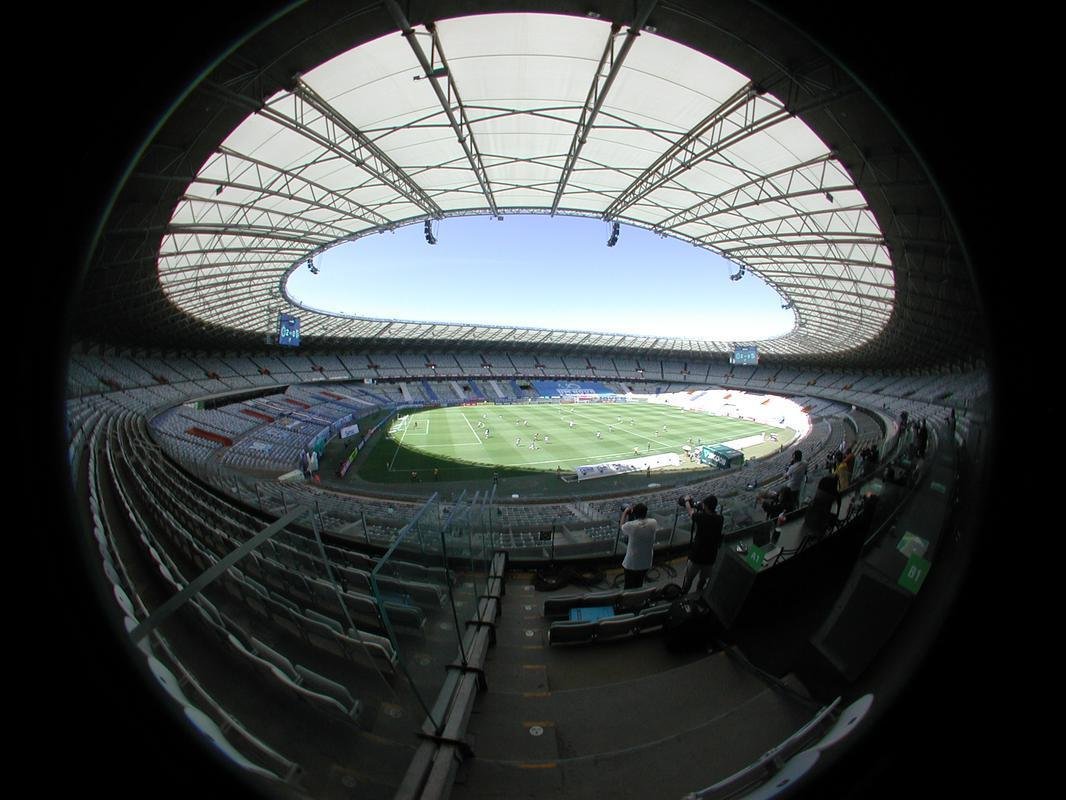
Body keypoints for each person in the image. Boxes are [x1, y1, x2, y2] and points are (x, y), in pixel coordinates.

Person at [680, 495, 724, 595]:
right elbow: (712, 516)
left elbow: (690, 512)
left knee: (689, 579)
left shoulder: (701, 517)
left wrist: (686, 500)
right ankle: (699, 593)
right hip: (711, 556)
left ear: (706, 506)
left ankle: (683, 595)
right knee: (703, 579)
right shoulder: (720, 518)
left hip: (697, 555)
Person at [619, 503, 658, 589]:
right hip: (646, 562)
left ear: (635, 513)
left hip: (631, 563)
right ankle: (637, 599)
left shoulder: (631, 526)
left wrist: (625, 512)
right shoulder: (653, 522)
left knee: (628, 586)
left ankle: (629, 600)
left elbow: (621, 526)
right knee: (639, 584)